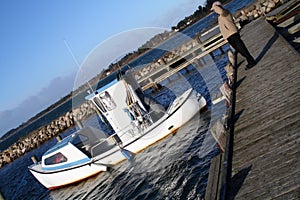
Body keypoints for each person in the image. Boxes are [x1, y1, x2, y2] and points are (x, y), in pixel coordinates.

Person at [211, 1, 256, 70]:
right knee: (240, 50)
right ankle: (250, 61)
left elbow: (220, 10)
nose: (214, 11)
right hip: (229, 35)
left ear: (218, 7)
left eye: (214, 9)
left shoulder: (225, 12)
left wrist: (215, 6)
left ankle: (251, 61)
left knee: (242, 49)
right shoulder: (220, 15)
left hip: (232, 33)